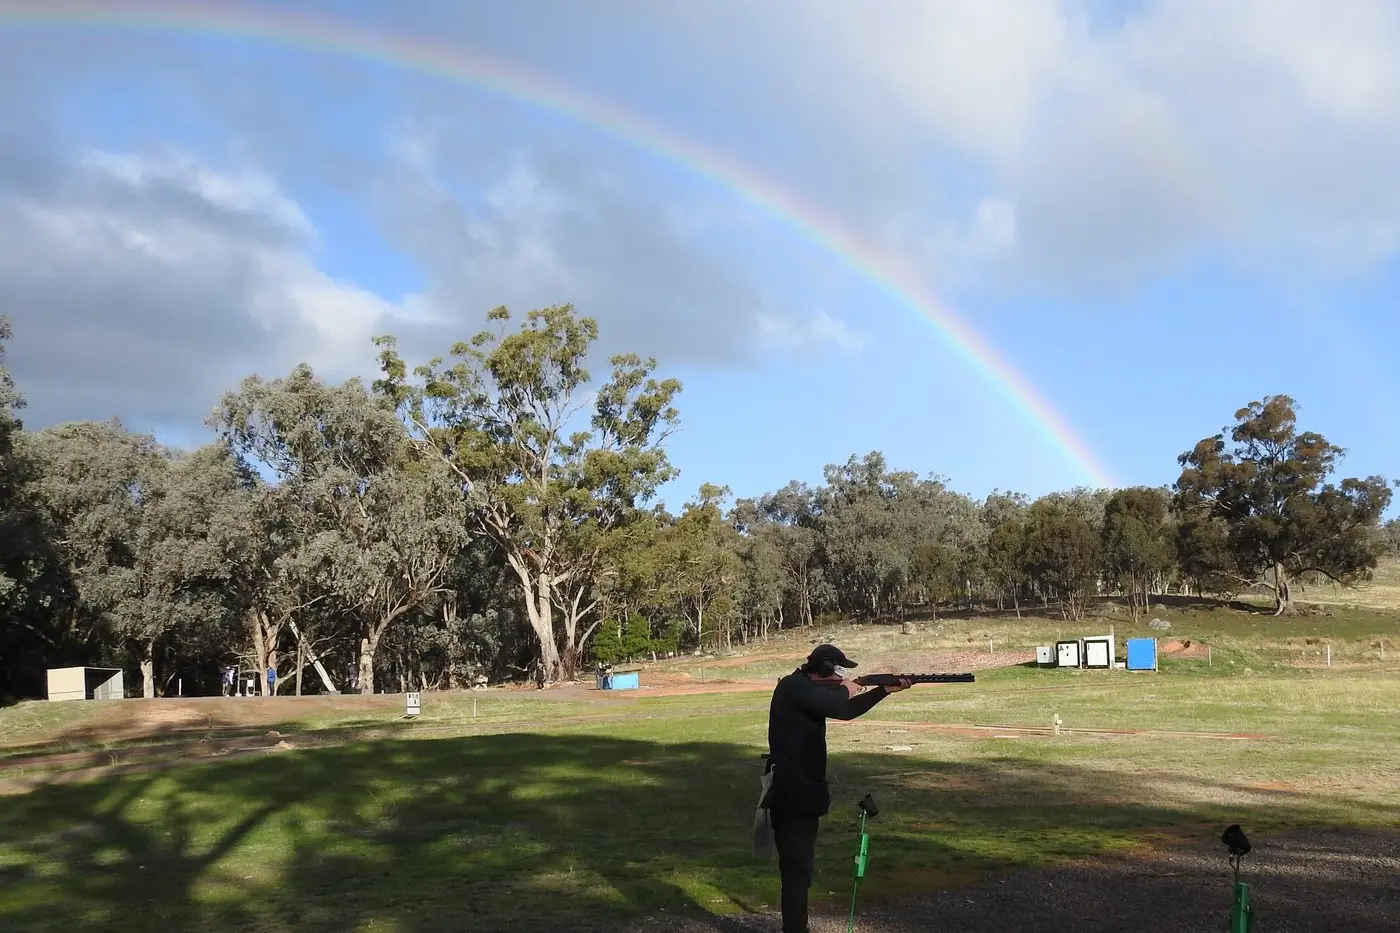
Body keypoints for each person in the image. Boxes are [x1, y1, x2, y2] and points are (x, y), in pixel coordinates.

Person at [762, 644, 912, 933]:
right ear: (826, 668)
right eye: (838, 671)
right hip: (792, 795)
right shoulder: (793, 686)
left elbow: (845, 710)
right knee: (796, 872)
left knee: (801, 870)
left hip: (804, 795)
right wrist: (852, 686)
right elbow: (838, 703)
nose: (841, 677)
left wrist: (882, 691)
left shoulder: (806, 690)